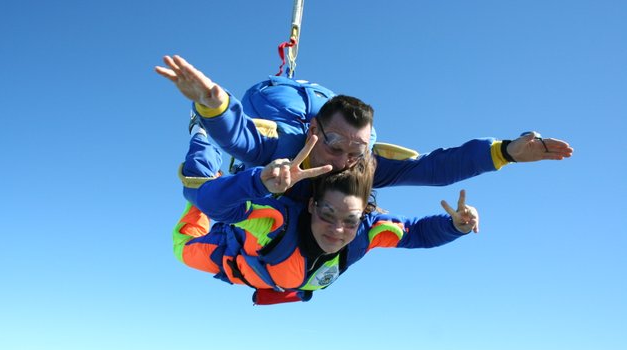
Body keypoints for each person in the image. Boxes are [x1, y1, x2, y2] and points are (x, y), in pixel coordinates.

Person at [155, 55, 573, 194]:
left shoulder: (361, 162)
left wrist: (507, 151)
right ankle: (197, 127)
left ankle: (360, 133)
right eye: (335, 147)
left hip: (317, 100)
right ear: (316, 133)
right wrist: (213, 107)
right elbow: (243, 138)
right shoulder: (287, 145)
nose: (342, 162)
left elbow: (434, 167)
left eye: (355, 152)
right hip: (274, 102)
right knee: (207, 177)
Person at [174, 131, 479, 305]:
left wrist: (454, 227)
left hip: (278, 280)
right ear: (311, 205)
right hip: (231, 257)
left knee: (216, 195)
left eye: (350, 220)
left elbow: (416, 233)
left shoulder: (367, 233)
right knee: (197, 201)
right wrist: (256, 183)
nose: (337, 229)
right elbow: (212, 204)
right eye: (327, 214)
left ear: (363, 217)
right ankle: (201, 135)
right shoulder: (276, 223)